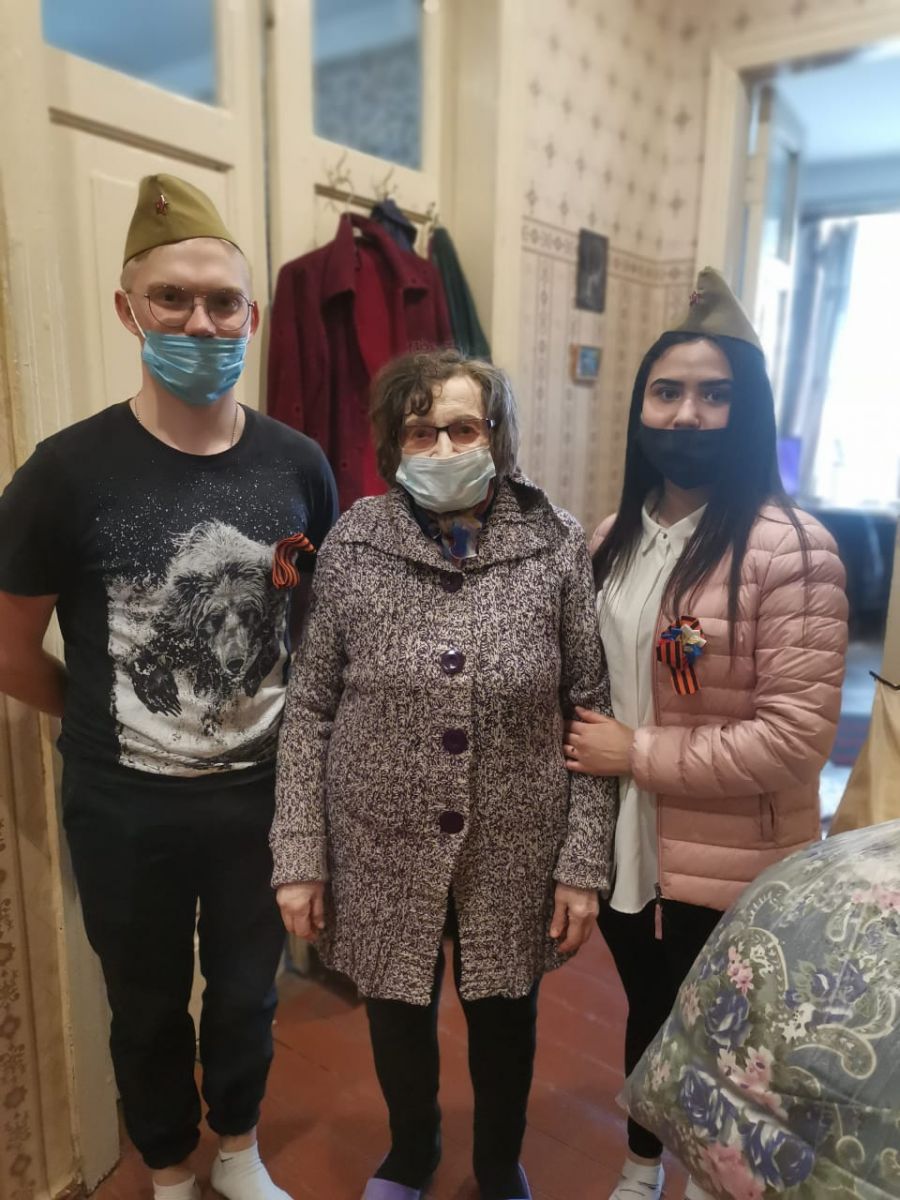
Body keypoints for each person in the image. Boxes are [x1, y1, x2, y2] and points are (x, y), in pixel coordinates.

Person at [0, 175, 338, 1200]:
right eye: (172, 299)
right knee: (144, 1007)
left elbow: (318, 631)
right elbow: (10, 649)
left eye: (223, 302)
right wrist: (106, 718)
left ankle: (236, 1152)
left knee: (246, 995)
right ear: (128, 309)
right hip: (123, 807)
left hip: (260, 798)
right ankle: (166, 1169)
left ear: (252, 315)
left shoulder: (299, 465)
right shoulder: (63, 474)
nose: (201, 322)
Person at [270, 348, 618, 1200]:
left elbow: (590, 710)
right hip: (378, 839)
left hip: (515, 840)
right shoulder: (354, 542)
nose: (443, 448)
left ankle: (498, 1162)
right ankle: (412, 1150)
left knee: (506, 1015)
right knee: (396, 1008)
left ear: (497, 435)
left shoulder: (554, 542)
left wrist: (582, 865)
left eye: (464, 428)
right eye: (420, 432)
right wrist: (299, 856)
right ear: (393, 444)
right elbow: (310, 708)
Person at [562, 270, 848, 1200]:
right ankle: (643, 1166)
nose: (687, 414)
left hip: (729, 856)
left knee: (729, 1043)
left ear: (748, 410)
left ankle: (711, 1180)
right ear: (640, 408)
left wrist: (636, 753)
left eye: (714, 395)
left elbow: (796, 739)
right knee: (652, 1009)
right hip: (625, 844)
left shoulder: (791, 548)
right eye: (667, 392)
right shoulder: (611, 538)